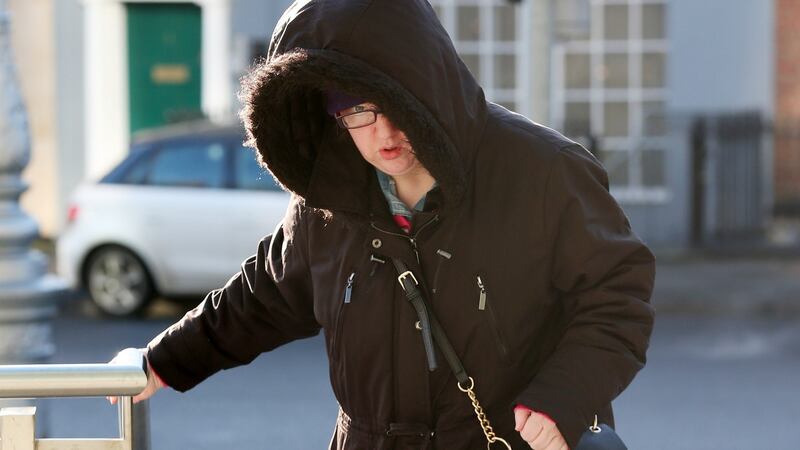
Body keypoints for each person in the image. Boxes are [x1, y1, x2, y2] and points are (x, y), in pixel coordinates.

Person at [111, 1, 656, 449]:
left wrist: (560, 400)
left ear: (431, 88)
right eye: (357, 110)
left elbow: (617, 298)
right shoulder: (327, 200)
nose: (383, 133)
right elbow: (262, 297)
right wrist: (160, 360)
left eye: (399, 105)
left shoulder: (543, 170)